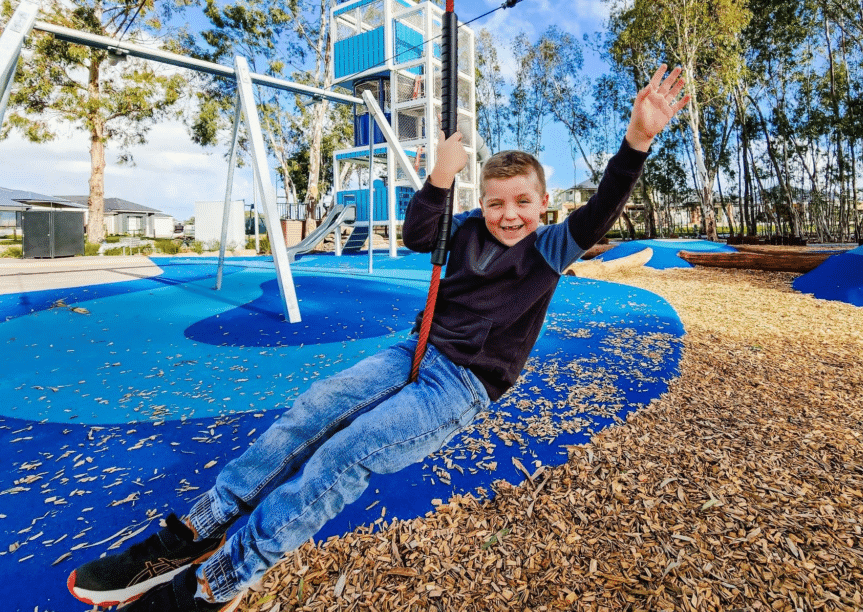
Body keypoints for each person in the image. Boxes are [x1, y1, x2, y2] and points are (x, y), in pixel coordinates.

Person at [66, 65, 687, 612]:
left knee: (346, 454)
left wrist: (637, 140)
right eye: (497, 202)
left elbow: (604, 205)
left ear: (544, 204)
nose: (509, 215)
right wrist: (441, 177)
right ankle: (193, 533)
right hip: (412, 354)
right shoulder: (466, 229)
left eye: (523, 202)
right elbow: (420, 233)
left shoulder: (549, 250)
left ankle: (219, 582)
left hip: (462, 387)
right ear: (483, 201)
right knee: (309, 414)